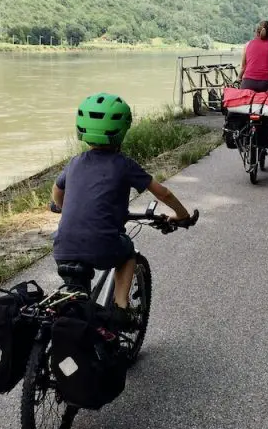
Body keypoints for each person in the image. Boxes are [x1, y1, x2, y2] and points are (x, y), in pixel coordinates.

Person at [51, 92, 192, 320]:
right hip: (103, 245)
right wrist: (182, 214)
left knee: (77, 293)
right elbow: (162, 192)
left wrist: (61, 208)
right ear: (122, 130)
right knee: (127, 253)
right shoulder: (124, 164)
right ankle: (121, 307)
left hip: (63, 247)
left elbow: (58, 192)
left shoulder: (75, 162)